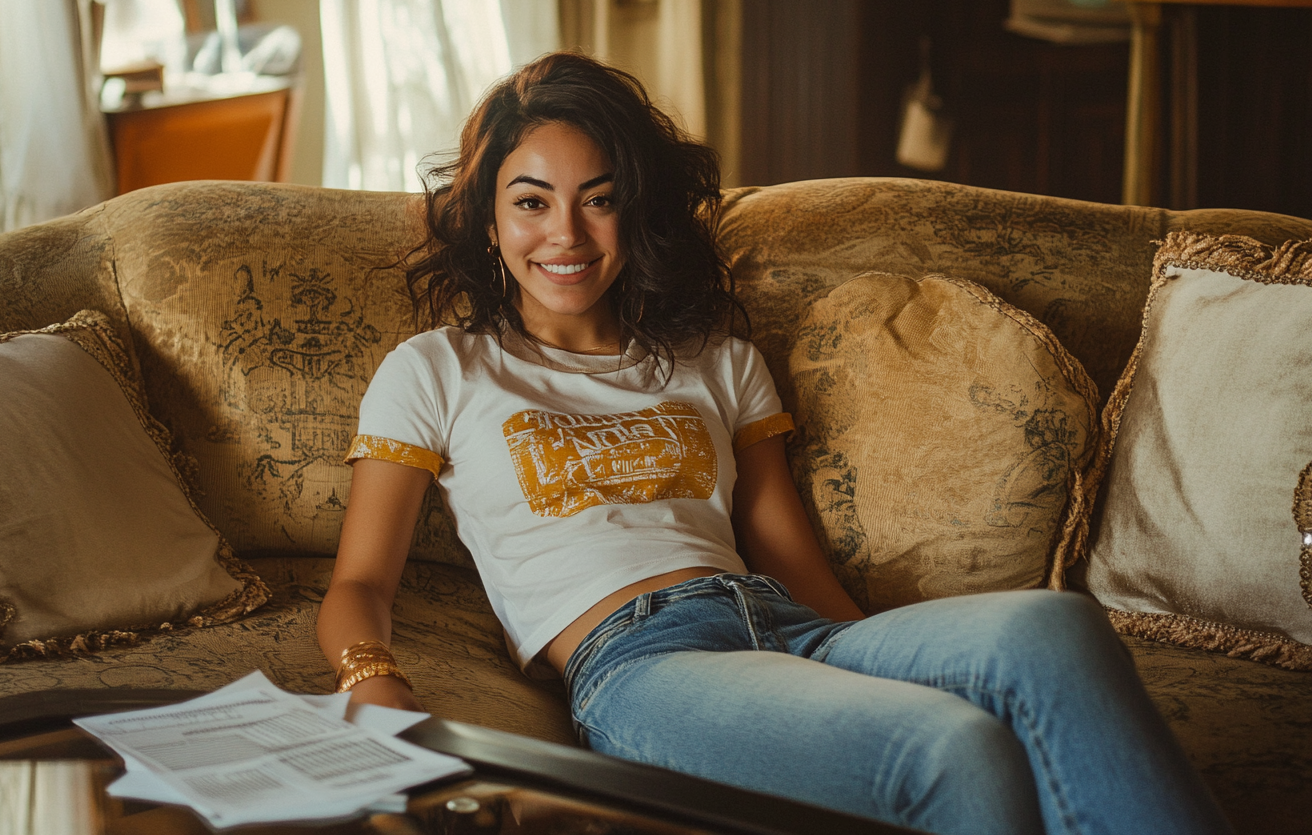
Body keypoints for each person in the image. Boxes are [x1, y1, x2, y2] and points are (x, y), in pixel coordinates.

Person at [317, 51, 1232, 835]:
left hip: (786, 630)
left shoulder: (714, 358)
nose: (566, 234)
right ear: (488, 219)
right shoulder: (438, 369)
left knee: (1054, 627)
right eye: (531, 203)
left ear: (635, 214)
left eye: (599, 200)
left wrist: (888, 670)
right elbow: (360, 584)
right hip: (640, 666)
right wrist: (370, 679)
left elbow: (791, 562)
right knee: (955, 747)